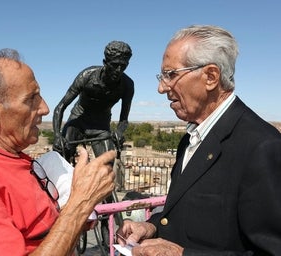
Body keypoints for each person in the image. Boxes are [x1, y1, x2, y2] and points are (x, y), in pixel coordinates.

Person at [0, 48, 117, 256]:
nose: (45, 108)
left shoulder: (8, 155)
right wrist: (80, 204)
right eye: (31, 99)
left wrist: (70, 223)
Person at [117, 25, 281, 255]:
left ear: (211, 76)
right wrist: (151, 226)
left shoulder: (262, 147)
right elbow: (184, 212)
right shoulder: (191, 138)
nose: (161, 87)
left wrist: (181, 255)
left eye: (171, 74)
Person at [52, 40, 134, 162]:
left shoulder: (127, 85)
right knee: (62, 152)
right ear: (105, 63)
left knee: (107, 162)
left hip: (101, 125)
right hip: (78, 119)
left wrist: (119, 131)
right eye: (115, 65)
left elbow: (123, 120)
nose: (118, 70)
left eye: (123, 66)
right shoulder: (86, 76)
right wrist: (57, 136)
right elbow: (60, 107)